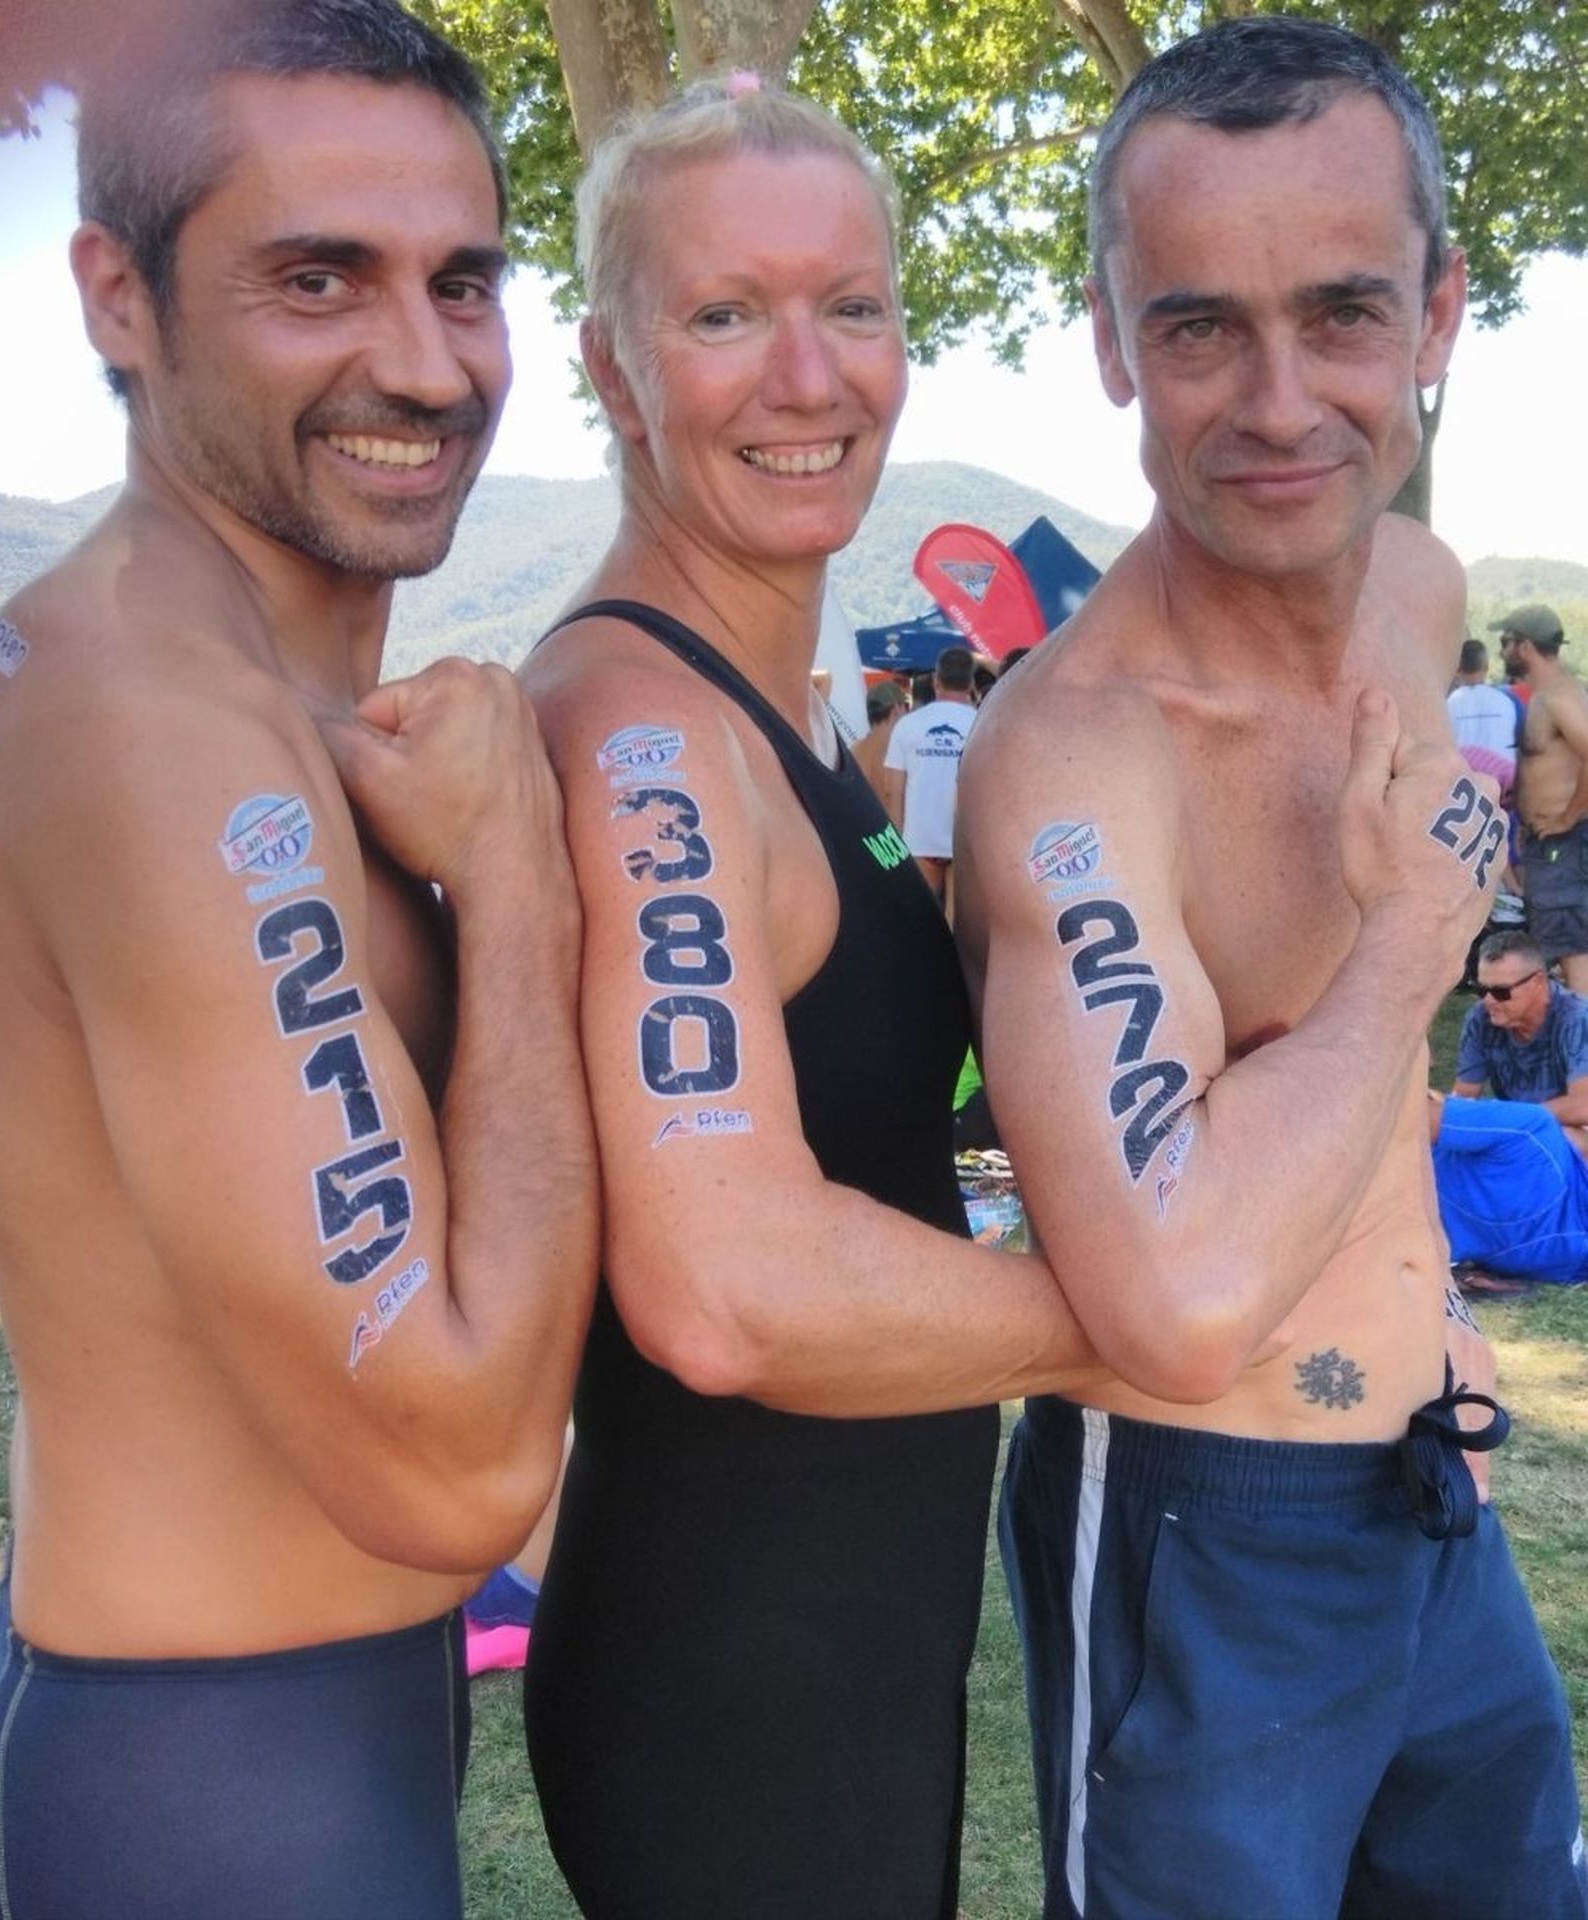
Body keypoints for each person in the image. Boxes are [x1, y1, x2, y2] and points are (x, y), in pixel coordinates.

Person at [955, 19, 1587, 1919]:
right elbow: (1169, 1299)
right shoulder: (1079, 756)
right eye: (1199, 326)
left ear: (1442, 311)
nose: (1280, 400)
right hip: (1197, 1527)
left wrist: (1436, 1318)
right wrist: (1414, 942)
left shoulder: (1418, 583)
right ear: (1107, 335)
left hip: (1436, 1473)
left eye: (1342, 313)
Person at [0, 5, 597, 1915]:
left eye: (465, 280)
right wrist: (519, 890)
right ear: (120, 295)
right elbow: (460, 1474)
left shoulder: (253, 697)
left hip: (286, 1726)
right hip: (212, 1773)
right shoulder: (156, 727)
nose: (421, 363)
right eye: (316, 277)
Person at [515, 77, 1103, 1920]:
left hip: (847, 1643)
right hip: (733, 1686)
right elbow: (726, 1285)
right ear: (613, 370)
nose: (807, 374)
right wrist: (1144, 1328)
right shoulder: (647, 736)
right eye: (721, 314)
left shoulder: (787, 721)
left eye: (852, 306)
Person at [1500, 603, 1588, 992]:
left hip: (1563, 840)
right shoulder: (1548, 695)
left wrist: (1568, 818)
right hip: (1546, 838)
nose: (1500, 650)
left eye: (1506, 642)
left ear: (1524, 647)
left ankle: (1579, 1044)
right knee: (1565, 945)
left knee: (1573, 948)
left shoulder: (1558, 697)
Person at [1431, 1092, 1588, 1286]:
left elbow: (1409, 1118)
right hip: (1405, 1238)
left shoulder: (1531, 1128)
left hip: (1396, 1175)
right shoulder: (1572, 1258)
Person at [1453, 930, 1588, 1133]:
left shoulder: (1577, 1018)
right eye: (1482, 989)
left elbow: (1582, 1106)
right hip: (1521, 1127)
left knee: (1563, 1139)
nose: (1488, 1000)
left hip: (1573, 1128)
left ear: (1538, 982)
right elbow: (1465, 1096)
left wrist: (1508, 1118)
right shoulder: (1481, 1018)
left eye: (1501, 992)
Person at [884, 640, 980, 910]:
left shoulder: (907, 725)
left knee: (921, 922)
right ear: (970, 683)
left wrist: (894, 854)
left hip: (919, 841)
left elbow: (894, 791)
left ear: (937, 680)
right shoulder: (983, 722)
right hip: (965, 844)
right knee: (961, 930)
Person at [1447, 636, 1517, 772]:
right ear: (1486, 667)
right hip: (1503, 783)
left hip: (1463, 785)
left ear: (1457, 668)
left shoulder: (1448, 705)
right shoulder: (1505, 702)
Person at [851, 673, 907, 809]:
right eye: (906, 706)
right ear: (896, 710)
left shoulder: (854, 749)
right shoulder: (896, 753)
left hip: (859, 827)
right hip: (888, 828)